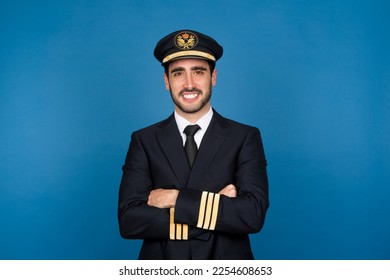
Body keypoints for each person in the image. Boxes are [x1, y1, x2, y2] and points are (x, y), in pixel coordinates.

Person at [118, 29, 269, 260]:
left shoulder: (245, 137)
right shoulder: (144, 140)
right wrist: (216, 206)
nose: (189, 84)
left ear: (213, 77)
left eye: (198, 72)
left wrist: (174, 199)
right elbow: (130, 221)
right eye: (178, 73)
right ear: (167, 81)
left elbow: (252, 215)